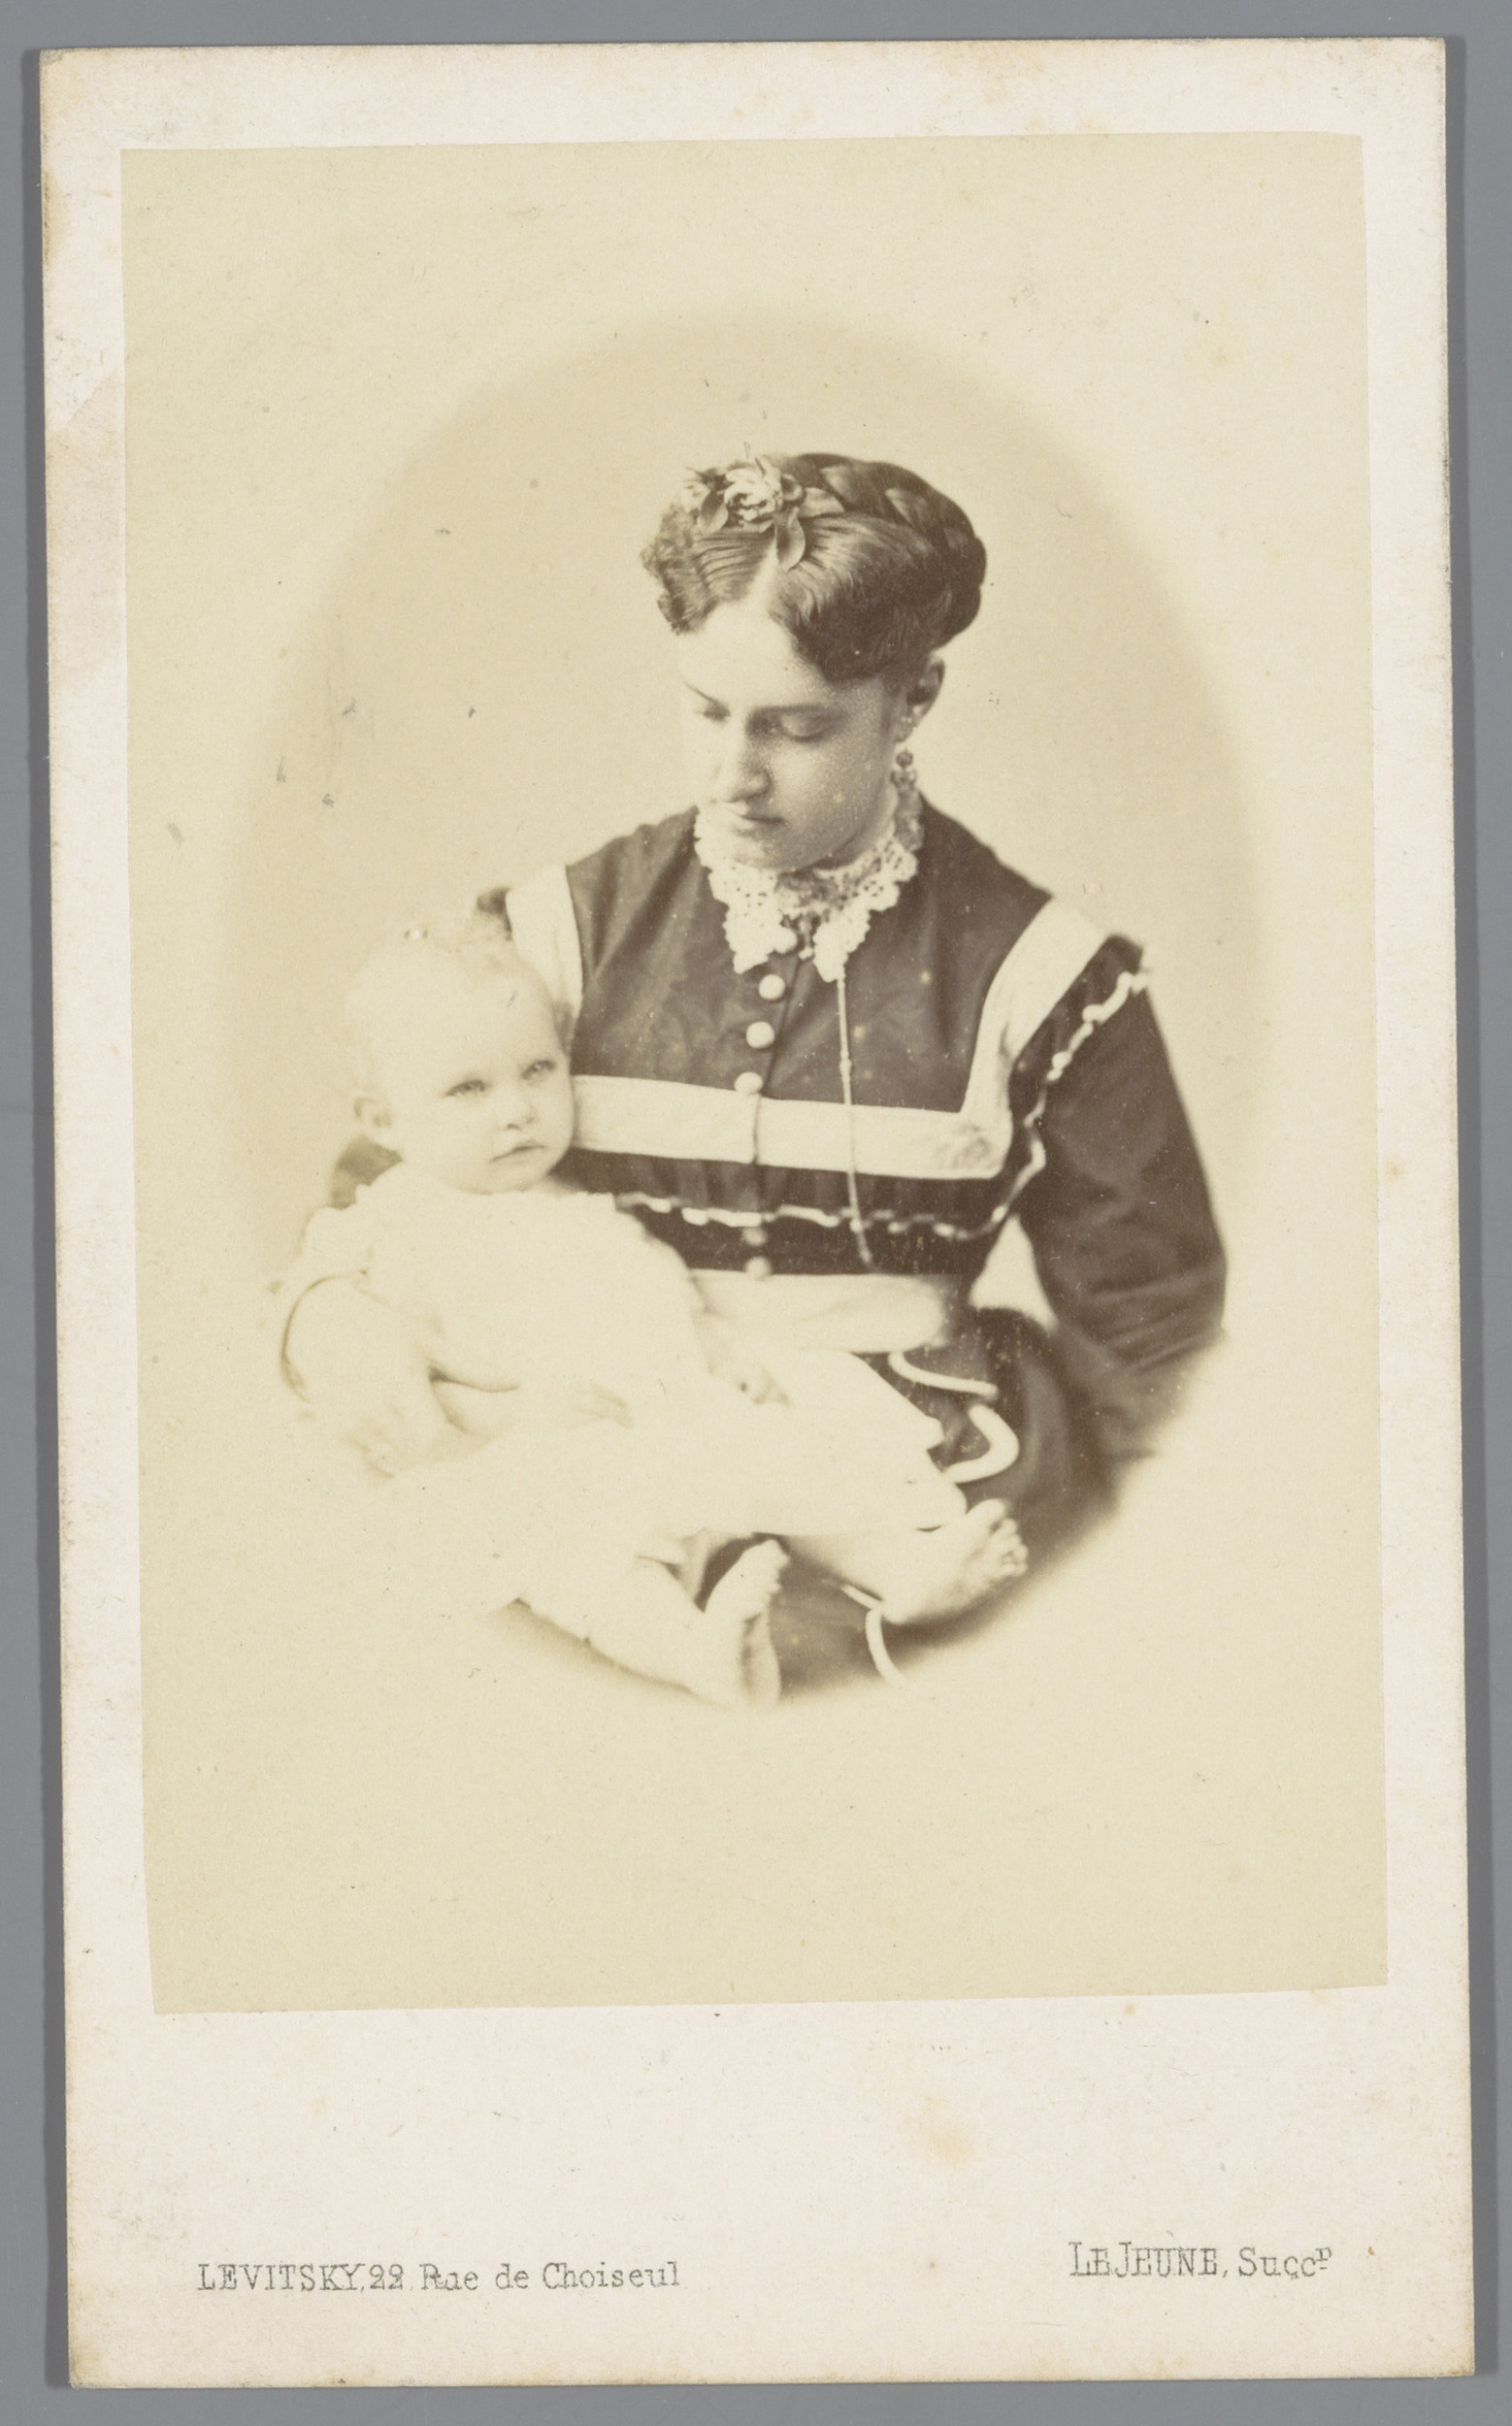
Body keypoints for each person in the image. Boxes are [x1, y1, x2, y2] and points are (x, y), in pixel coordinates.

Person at [286, 449, 1225, 1652]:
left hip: (918, 1470)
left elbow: (1154, 1337)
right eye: (704, 711)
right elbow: (388, 1186)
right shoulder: (552, 933)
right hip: (598, 1448)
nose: (732, 775)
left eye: (795, 727)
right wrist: (327, 1318)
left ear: (912, 700)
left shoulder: (1043, 978)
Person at [277, 909, 1016, 1708]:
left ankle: (901, 1568)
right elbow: (364, 1367)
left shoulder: (572, 1199)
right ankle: (693, 1653)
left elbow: (646, 1280)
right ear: (382, 1119)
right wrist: (512, 1418)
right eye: (469, 1089)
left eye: (537, 1070)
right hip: (534, 1445)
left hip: (661, 1414)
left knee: (782, 1451)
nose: (517, 1110)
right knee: (580, 1548)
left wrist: (713, 1341)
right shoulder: (387, 1226)